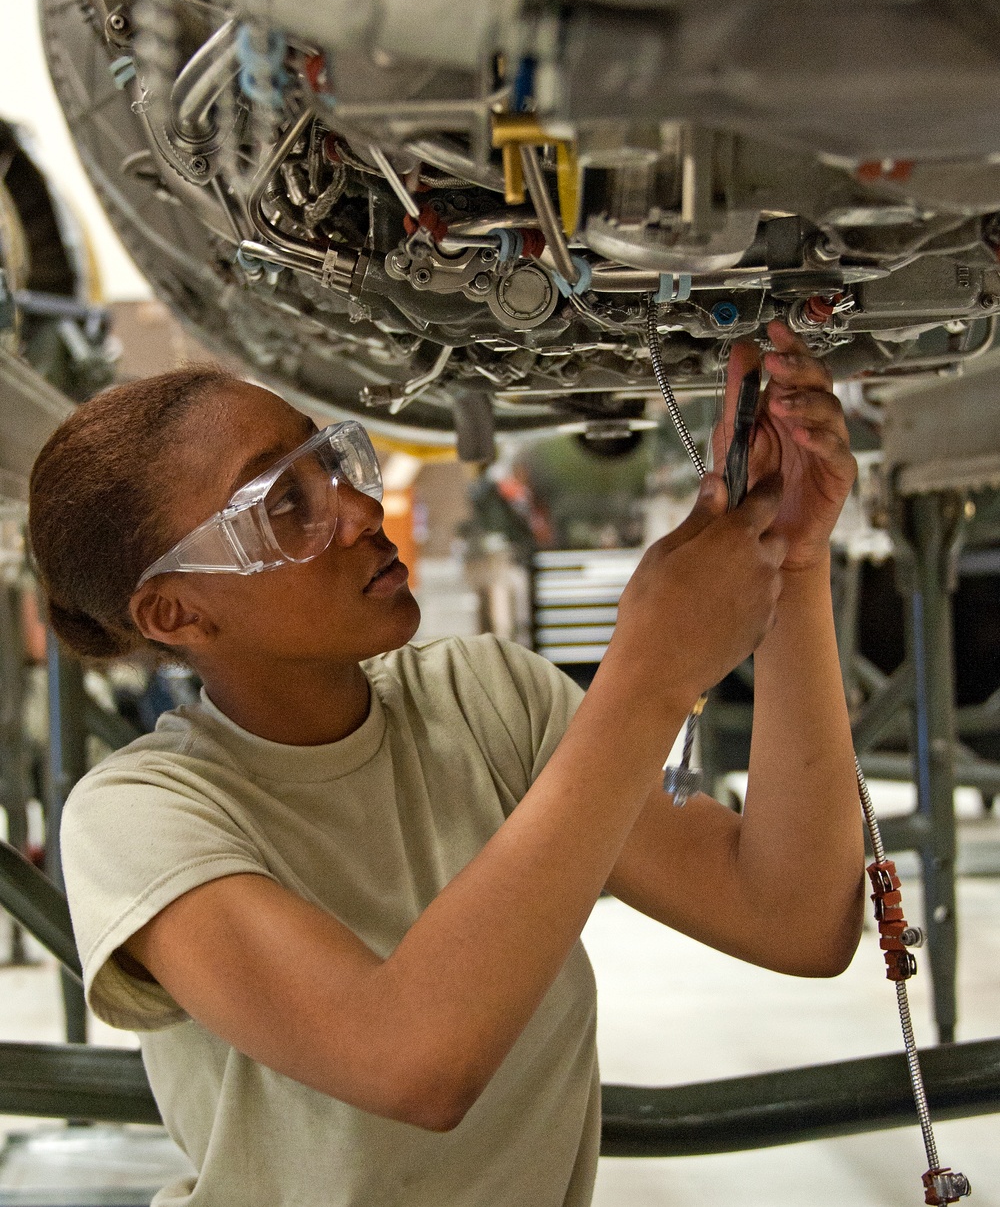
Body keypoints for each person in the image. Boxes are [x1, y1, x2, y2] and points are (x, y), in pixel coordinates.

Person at [27, 320, 864, 1207]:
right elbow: (412, 1064)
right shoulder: (138, 815)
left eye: (334, 464)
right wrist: (648, 678)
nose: (358, 510)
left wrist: (793, 555)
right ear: (176, 615)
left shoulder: (485, 700)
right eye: (282, 505)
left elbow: (794, 918)